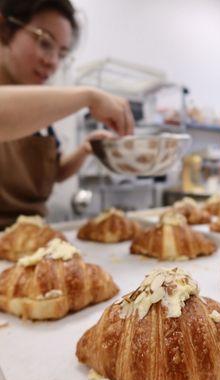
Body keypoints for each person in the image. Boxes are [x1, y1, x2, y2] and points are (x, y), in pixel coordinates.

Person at [0, 0, 134, 229]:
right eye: (44, 43)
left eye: (62, 53)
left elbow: (54, 174)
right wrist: (88, 96)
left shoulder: (39, 110)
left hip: (33, 236)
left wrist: (85, 150)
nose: (52, 62)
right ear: (4, 28)